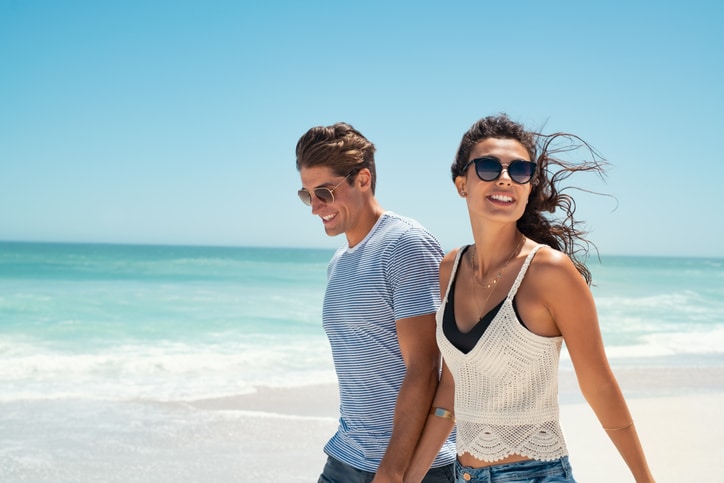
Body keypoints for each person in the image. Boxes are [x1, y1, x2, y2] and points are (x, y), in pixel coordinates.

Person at [404, 114, 655, 483]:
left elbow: (598, 384)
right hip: (464, 476)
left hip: (537, 474)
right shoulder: (450, 268)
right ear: (462, 184)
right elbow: (453, 389)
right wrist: (410, 477)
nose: (505, 177)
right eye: (488, 166)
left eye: (519, 170)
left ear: (527, 185)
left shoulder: (550, 272)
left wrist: (644, 479)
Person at [295, 122, 457, 482]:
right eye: (307, 195)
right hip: (348, 456)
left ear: (363, 180)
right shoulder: (339, 261)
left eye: (323, 192)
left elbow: (425, 366)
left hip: (414, 467)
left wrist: (394, 469)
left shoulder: (405, 245)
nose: (315, 207)